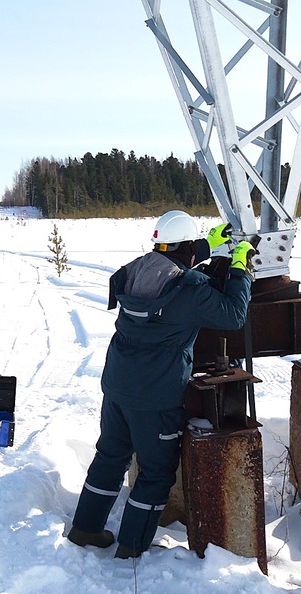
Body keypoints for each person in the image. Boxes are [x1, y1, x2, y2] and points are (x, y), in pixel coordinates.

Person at [66, 210, 254, 559]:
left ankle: (86, 528)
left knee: (110, 457)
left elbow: (176, 255)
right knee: (155, 472)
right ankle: (132, 548)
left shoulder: (136, 271)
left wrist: (211, 244)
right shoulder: (188, 289)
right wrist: (240, 267)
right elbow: (233, 315)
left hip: (118, 387)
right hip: (155, 396)